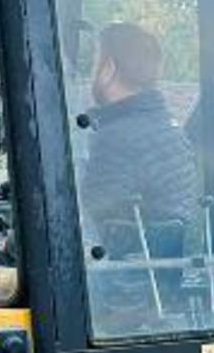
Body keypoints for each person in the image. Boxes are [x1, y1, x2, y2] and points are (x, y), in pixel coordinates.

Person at [75, 22, 200, 243]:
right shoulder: (168, 129)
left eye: (96, 62)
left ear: (109, 68)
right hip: (157, 270)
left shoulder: (116, 138)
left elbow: (83, 222)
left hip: (119, 272)